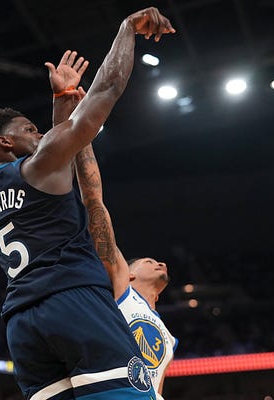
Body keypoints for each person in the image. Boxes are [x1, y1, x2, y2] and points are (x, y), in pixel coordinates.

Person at [0, 8, 175, 400]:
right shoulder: (36, 166)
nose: (39, 133)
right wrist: (127, 29)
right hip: (73, 301)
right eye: (29, 129)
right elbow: (105, 91)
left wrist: (62, 101)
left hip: (22, 326)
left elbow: (53, 170)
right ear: (6, 142)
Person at [75, 143, 177, 400]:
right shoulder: (123, 290)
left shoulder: (169, 337)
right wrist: (82, 139)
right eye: (149, 261)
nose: (160, 263)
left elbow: (156, 387)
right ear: (129, 274)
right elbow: (94, 204)